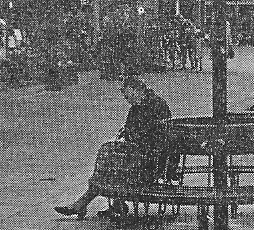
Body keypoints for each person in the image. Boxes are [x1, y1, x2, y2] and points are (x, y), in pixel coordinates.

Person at [55, 76, 172, 218]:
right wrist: (126, 136)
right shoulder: (136, 108)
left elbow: (161, 137)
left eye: (130, 96)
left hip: (152, 160)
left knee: (115, 164)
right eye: (127, 98)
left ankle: (85, 204)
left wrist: (134, 138)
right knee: (108, 152)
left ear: (139, 90)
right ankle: (104, 204)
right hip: (137, 155)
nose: (129, 100)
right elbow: (129, 130)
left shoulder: (157, 106)